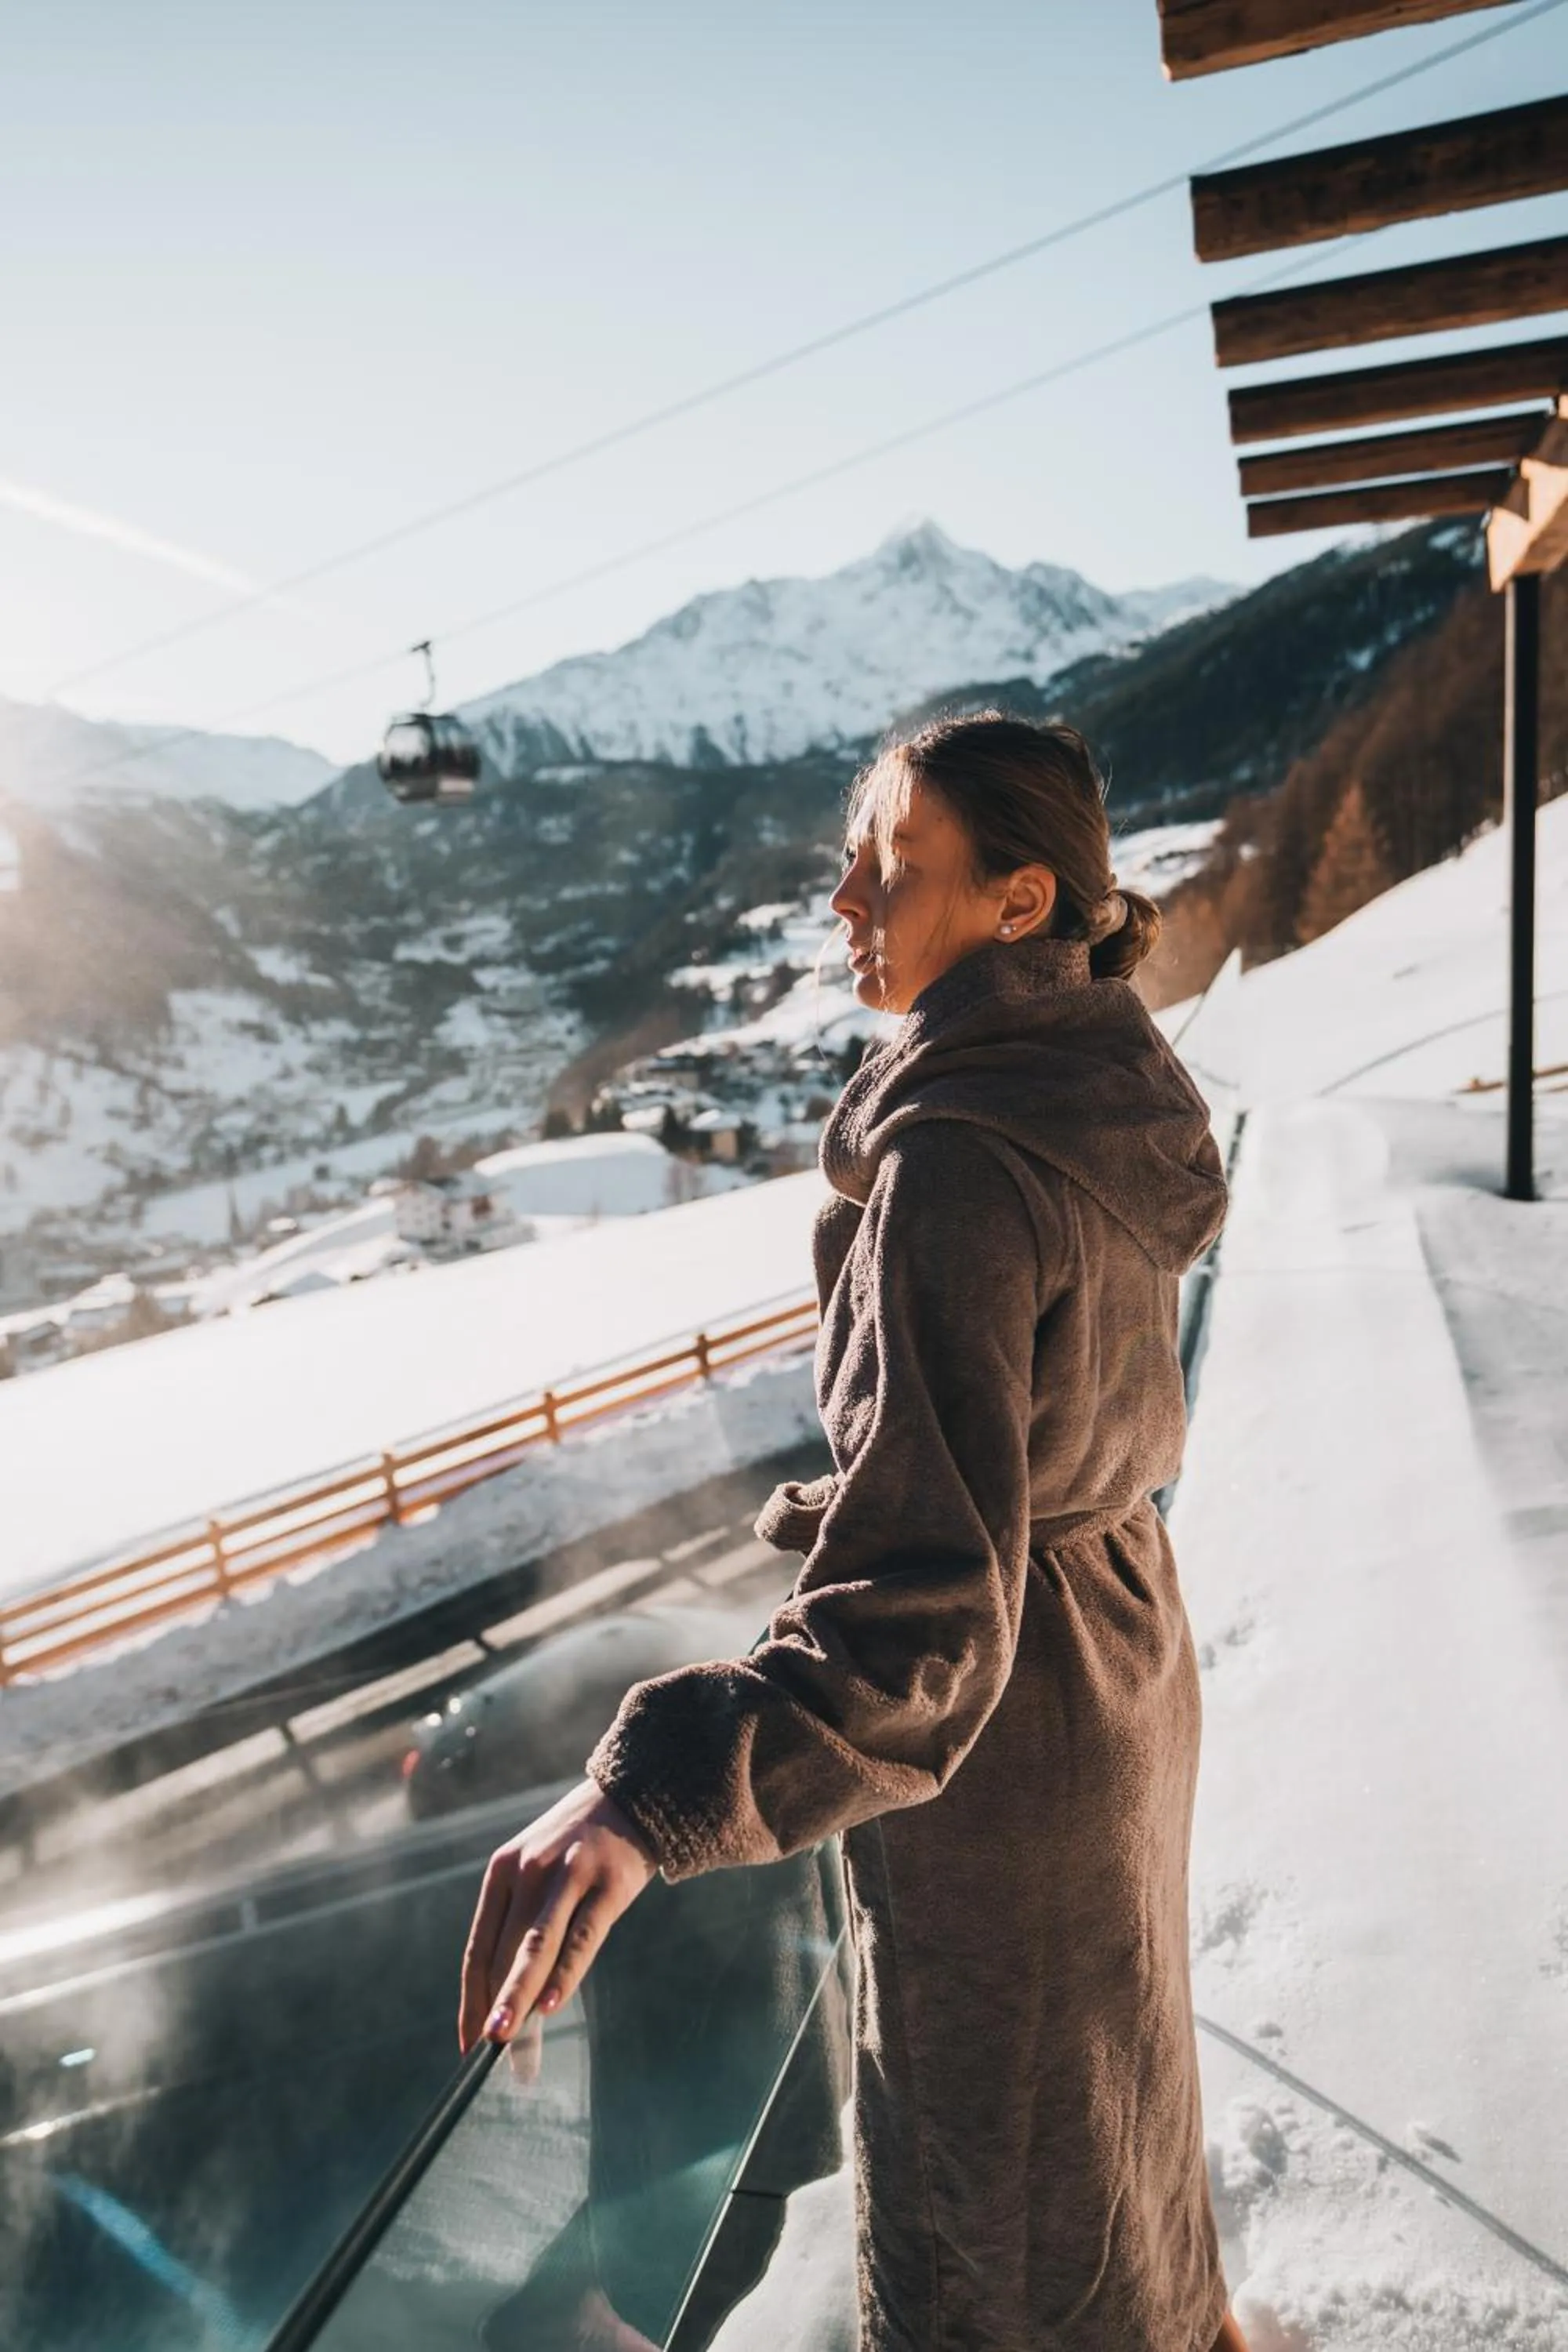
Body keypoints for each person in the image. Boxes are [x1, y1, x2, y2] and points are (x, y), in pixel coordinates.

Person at [461, 711, 1249, 2352]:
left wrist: (648, 1796)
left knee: (995, 2222)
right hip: (1112, 1663)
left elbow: (918, 1626)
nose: (842, 901)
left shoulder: (958, 1163)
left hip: (1007, 1751)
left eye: (888, 868)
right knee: (1107, 2139)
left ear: (1019, 902)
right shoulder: (1092, 1082)